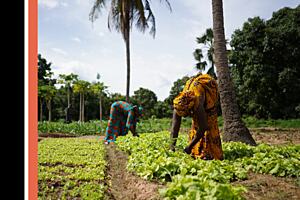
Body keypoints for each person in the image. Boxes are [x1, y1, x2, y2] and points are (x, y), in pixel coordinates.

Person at [170, 73, 223, 160]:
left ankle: (211, 152)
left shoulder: (198, 104)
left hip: (208, 104)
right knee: (195, 126)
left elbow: (203, 127)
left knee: (209, 129)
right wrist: (171, 146)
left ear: (189, 108)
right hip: (196, 90)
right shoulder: (179, 104)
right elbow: (175, 126)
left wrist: (189, 147)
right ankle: (195, 150)